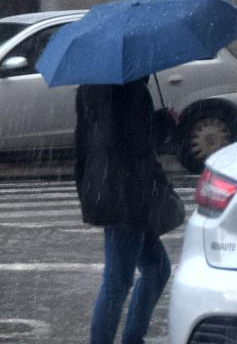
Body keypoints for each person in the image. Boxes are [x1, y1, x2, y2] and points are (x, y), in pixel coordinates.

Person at [75, 79, 179, 344]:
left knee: (157, 269)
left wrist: (88, 187)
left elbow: (86, 142)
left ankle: (133, 337)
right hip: (128, 194)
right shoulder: (130, 90)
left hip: (109, 188)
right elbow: (137, 147)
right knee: (117, 282)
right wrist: (164, 123)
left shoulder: (89, 88)